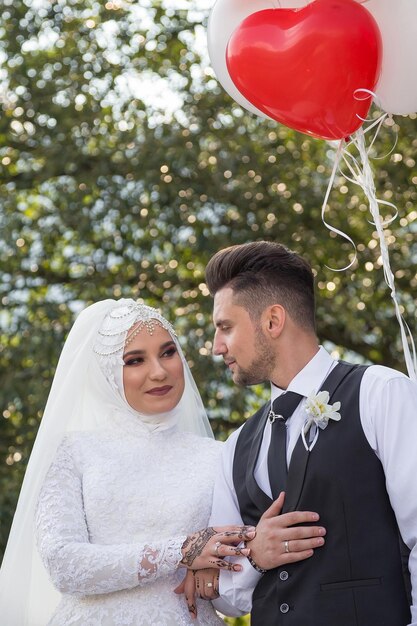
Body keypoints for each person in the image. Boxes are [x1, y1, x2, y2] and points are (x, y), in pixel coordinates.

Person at [0, 298, 256, 626]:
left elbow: (239, 561)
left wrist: (215, 561)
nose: (159, 371)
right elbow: (64, 564)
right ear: (105, 373)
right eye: (134, 360)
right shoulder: (75, 451)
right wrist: (182, 551)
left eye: (168, 352)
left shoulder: (220, 455)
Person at [202, 241, 417, 626]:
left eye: (225, 327)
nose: (217, 347)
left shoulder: (380, 393)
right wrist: (254, 555)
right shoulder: (235, 447)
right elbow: (228, 599)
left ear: (272, 320)